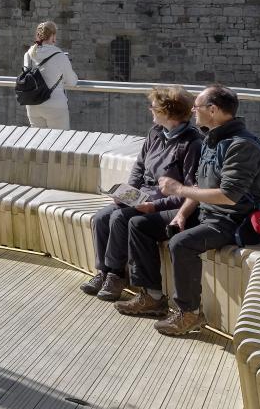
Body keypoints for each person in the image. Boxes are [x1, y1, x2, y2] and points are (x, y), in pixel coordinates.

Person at [118, 83, 260, 336]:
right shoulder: (213, 139)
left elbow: (229, 196)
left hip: (230, 221)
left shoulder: (240, 146)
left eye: (197, 107)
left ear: (212, 110)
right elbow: (201, 186)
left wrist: (179, 190)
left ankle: (189, 313)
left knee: (181, 243)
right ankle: (153, 297)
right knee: (139, 224)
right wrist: (181, 213)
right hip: (206, 213)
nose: (192, 112)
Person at [80, 85, 202, 300]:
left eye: (154, 107)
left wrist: (154, 205)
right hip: (143, 196)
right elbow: (139, 166)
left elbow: (191, 191)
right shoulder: (155, 133)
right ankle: (104, 271)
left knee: (119, 218)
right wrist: (127, 192)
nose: (150, 110)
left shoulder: (191, 143)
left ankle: (116, 275)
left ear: (168, 112)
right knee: (101, 217)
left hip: (166, 203)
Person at [22, 21, 78, 129]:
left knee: (38, 143)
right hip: (55, 105)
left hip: (33, 104)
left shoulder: (28, 54)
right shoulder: (59, 55)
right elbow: (72, 82)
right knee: (59, 142)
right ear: (53, 36)